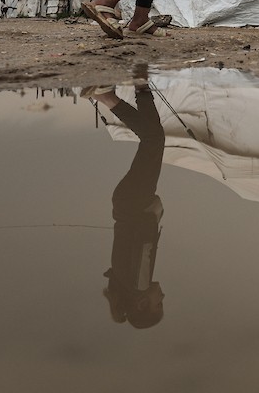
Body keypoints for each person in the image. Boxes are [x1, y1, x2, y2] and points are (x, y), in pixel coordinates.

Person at [87, 72, 167, 328]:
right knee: (154, 138)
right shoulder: (124, 283)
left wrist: (156, 212)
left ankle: (108, 96)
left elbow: (144, 241)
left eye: (158, 303)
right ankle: (139, 85)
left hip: (136, 203)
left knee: (154, 140)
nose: (162, 297)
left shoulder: (139, 285)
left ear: (142, 304)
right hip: (127, 203)